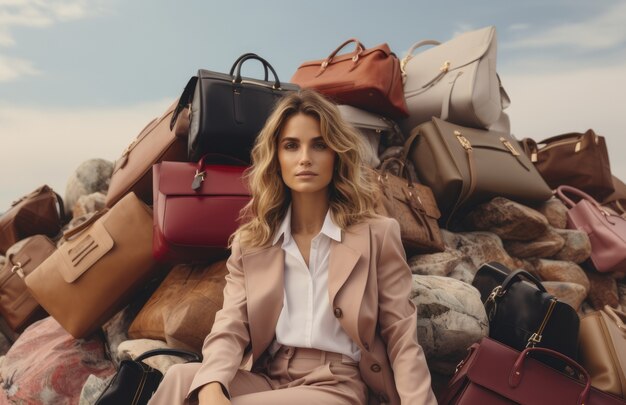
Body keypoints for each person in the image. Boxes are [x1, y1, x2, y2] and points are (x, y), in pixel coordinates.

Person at [148, 89, 437, 405]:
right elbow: (231, 324)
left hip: (335, 385)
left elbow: (401, 337)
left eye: (319, 145)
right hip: (269, 376)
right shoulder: (253, 242)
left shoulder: (377, 235)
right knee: (182, 380)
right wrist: (212, 384)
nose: (304, 158)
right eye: (291, 146)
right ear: (276, 156)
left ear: (336, 154)